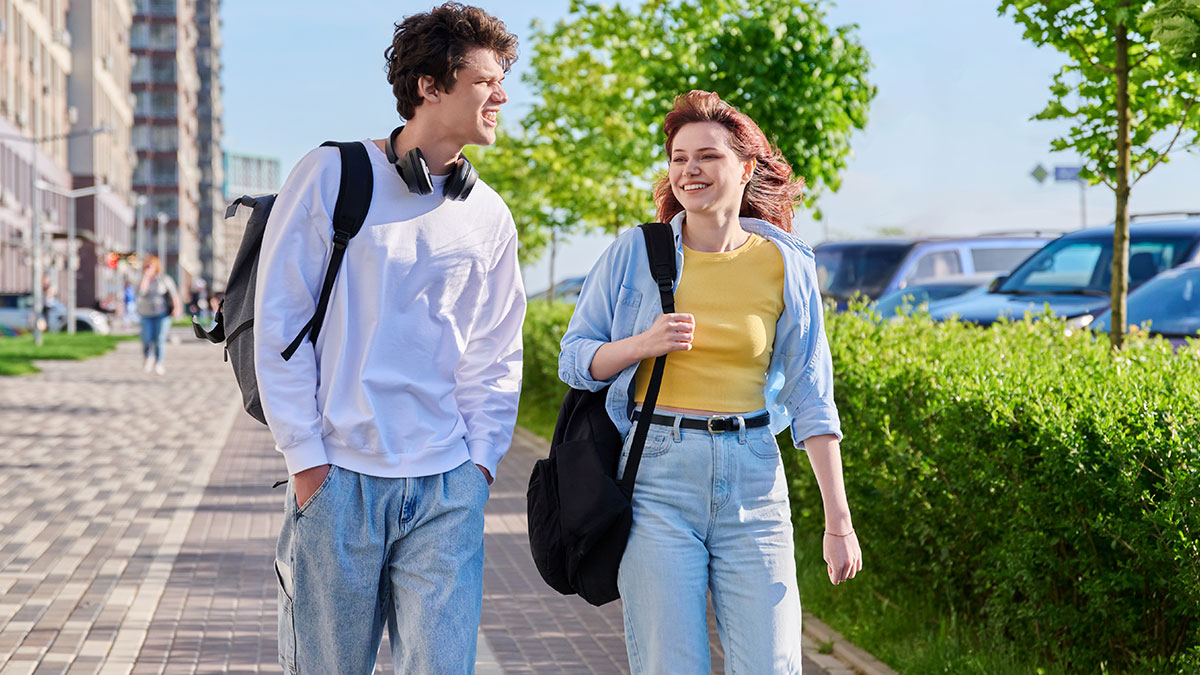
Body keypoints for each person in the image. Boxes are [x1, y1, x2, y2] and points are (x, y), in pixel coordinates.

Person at [253, 4, 523, 673]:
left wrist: (479, 464)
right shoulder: (331, 175)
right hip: (340, 481)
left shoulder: (488, 215)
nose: (502, 95)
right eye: (486, 80)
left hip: (444, 489)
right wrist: (308, 462)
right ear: (431, 85)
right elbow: (280, 326)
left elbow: (495, 354)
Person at [558, 90, 863, 674]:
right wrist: (641, 345)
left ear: (746, 167)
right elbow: (575, 359)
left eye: (707, 157)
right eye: (678, 158)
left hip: (754, 476)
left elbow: (811, 395)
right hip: (657, 479)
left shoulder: (787, 264)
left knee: (771, 664)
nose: (689, 170)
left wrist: (837, 523)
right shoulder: (636, 253)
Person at [135, 255, 180, 375]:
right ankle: (148, 357)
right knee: (146, 338)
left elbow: (174, 294)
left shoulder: (164, 279)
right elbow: (141, 292)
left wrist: (176, 308)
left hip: (162, 313)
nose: (148, 268)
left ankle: (159, 362)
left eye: (151, 265)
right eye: (146, 266)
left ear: (156, 267)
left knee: (159, 339)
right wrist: (146, 277)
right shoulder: (141, 280)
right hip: (146, 314)